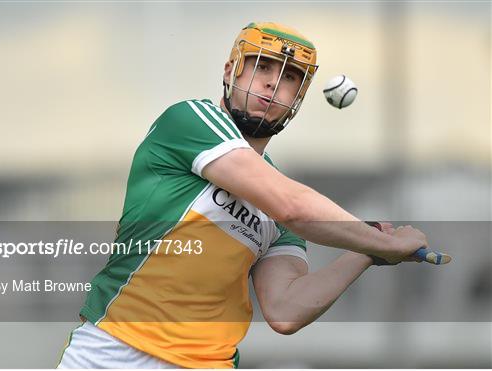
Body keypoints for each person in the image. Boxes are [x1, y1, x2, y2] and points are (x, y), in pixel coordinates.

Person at [57, 22, 428, 369]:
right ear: (230, 71)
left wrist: (366, 251)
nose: (272, 84)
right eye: (262, 67)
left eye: (289, 79)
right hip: (110, 352)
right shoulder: (189, 122)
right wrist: (391, 246)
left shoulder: (279, 198)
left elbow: (286, 311)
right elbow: (293, 207)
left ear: (297, 99)